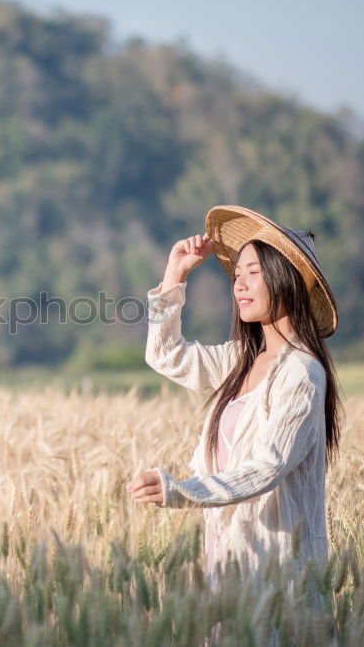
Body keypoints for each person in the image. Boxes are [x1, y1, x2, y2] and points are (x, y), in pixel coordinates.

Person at [125, 205, 342, 592]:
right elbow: (164, 355)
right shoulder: (237, 362)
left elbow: (267, 467)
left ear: (285, 281)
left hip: (279, 574)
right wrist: (174, 276)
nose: (239, 285)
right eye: (236, 275)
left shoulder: (302, 374)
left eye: (253, 274)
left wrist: (183, 490)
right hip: (227, 562)